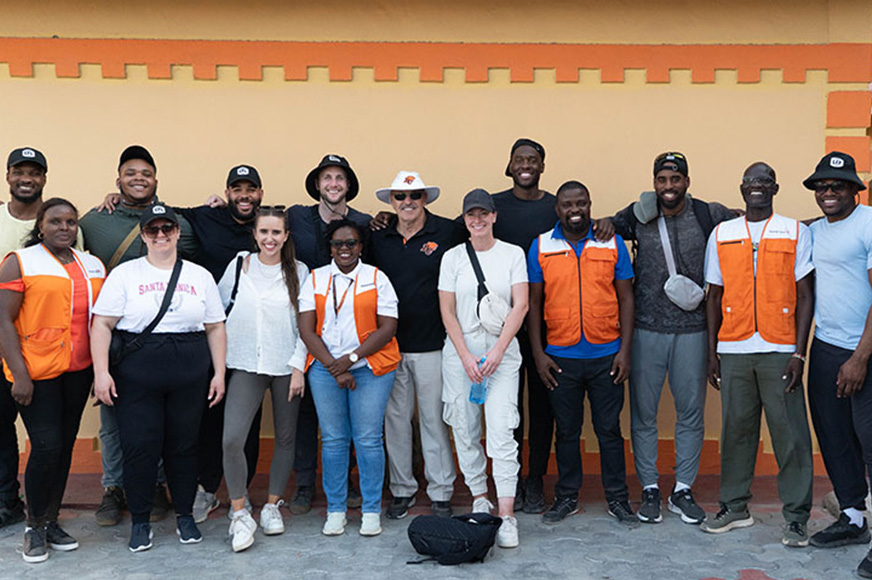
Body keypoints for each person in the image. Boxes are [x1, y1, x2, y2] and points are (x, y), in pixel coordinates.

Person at [90, 203, 226, 553]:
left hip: (190, 373)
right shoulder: (124, 274)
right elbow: (102, 325)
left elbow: (215, 328)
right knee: (140, 448)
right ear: (144, 235)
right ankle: (140, 520)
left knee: (184, 447)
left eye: (168, 229)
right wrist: (101, 373)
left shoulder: (199, 276)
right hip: (138, 373)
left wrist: (220, 374)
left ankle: (184, 516)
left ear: (178, 232)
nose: (161, 235)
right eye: (153, 230)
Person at [610, 152, 734, 524]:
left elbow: (754, 224)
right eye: (662, 180)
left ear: (687, 182)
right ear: (654, 183)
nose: (668, 187)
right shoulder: (637, 216)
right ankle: (649, 488)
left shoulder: (710, 215)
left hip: (693, 332)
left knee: (691, 414)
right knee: (643, 415)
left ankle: (682, 489)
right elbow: (598, 227)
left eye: (675, 179)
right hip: (646, 331)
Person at [80, 145, 198, 526]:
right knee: (114, 420)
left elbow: (192, 261)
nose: (138, 179)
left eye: (145, 173)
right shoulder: (95, 222)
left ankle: (155, 485)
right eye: (130, 173)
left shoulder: (178, 220)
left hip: (164, 342)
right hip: (114, 337)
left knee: (161, 420)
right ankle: (114, 489)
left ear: (156, 180)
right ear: (118, 179)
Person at [701, 162, 814, 547]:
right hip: (733, 347)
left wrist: (799, 353)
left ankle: (796, 517)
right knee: (735, 431)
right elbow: (712, 296)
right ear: (742, 187)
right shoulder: (722, 233)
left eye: (764, 182)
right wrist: (713, 351)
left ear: (775, 188)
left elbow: (805, 295)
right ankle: (735, 507)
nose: (757, 187)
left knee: (791, 434)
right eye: (751, 182)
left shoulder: (795, 231)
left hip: (780, 348)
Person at [0, 198, 105, 562]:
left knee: (62, 448)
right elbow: (4, 322)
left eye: (71, 222)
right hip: (36, 373)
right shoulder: (21, 261)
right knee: (46, 446)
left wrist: (100, 372)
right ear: (40, 226)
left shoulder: (91, 263)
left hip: (77, 371)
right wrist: (19, 375)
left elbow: (99, 323)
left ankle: (50, 519)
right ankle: (33, 527)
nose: (64, 228)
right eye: (56, 221)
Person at [526, 181, 637, 527]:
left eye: (581, 203)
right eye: (567, 204)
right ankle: (567, 496)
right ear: (557, 209)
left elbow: (627, 299)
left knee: (608, 430)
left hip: (607, 354)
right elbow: (532, 303)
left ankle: (618, 498)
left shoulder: (612, 242)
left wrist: (625, 352)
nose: (575, 210)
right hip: (560, 357)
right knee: (567, 431)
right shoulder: (541, 245)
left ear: (590, 205)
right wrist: (539, 355)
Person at [369, 171, 462, 519]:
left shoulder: (447, 231)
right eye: (400, 197)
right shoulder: (379, 236)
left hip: (433, 344)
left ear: (425, 200)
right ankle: (402, 489)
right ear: (391, 203)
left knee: (434, 421)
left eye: (414, 196)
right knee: (395, 420)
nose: (407, 203)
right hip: (389, 345)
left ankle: (440, 491)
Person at [438, 188, 528, 548]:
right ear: (465, 220)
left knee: (502, 428)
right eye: (470, 215)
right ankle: (479, 495)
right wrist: (465, 356)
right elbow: (446, 311)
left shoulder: (512, 254)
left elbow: (520, 306)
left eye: (483, 214)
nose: (477, 220)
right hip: (461, 352)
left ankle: (506, 513)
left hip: (501, 352)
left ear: (493, 216)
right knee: (463, 425)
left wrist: (495, 354)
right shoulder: (453, 258)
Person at [298, 218, 399, 537]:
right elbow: (306, 329)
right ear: (330, 247)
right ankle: (336, 509)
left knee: (368, 438)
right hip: (326, 370)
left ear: (361, 246)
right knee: (333, 440)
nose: (345, 249)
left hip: (371, 367)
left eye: (352, 243)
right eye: (339, 244)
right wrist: (334, 367)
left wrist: (351, 360)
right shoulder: (315, 278)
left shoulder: (376, 278)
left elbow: (388, 327)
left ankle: (370, 509)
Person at [0, 147, 83, 530]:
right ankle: (7, 503)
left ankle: (41, 514)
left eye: (35, 172)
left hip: (40, 357)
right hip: (11, 344)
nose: (27, 178)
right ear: (8, 176)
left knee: (48, 441)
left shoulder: (67, 238)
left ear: (44, 179)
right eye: (20, 171)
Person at [219, 206, 309, 552]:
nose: (270, 239)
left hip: (287, 365)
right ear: (254, 234)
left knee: (286, 437)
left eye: (276, 233)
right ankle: (240, 510)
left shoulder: (299, 271)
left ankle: (272, 505)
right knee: (231, 439)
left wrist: (300, 366)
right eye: (264, 232)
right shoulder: (240, 265)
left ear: (286, 236)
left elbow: (307, 323)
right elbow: (217, 308)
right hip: (245, 362)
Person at [286, 154, 371, 514]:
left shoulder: (364, 223)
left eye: (340, 178)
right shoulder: (295, 217)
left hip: (349, 332)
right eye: (327, 178)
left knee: (348, 411)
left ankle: (348, 481)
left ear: (348, 185)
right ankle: (305, 483)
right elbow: (256, 220)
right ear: (318, 185)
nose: (333, 184)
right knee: (306, 410)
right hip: (304, 327)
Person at [800, 152, 872, 578]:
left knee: (870, 442)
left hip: (864, 351)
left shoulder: (868, 223)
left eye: (837, 186)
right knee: (834, 436)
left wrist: (860, 358)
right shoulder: (814, 231)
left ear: (854, 190)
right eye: (821, 187)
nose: (828, 193)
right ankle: (854, 518)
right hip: (826, 348)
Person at [492, 138, 556, 513]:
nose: (526, 165)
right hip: (502, 325)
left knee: (543, 406)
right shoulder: (494, 206)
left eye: (533, 159)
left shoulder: (555, 207)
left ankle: (536, 479)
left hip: (549, 324)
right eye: (519, 159)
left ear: (542, 167)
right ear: (510, 165)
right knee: (508, 407)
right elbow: (454, 231)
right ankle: (511, 477)